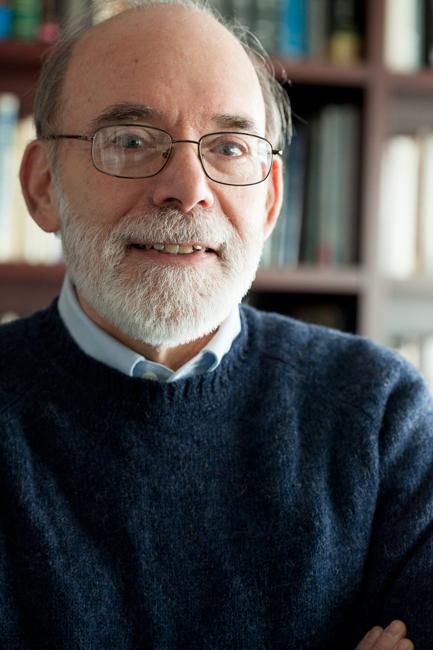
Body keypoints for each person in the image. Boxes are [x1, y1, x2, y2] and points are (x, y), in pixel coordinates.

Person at [0, 0, 430, 647]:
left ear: (270, 200)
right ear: (41, 187)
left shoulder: (378, 413)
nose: (187, 187)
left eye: (228, 146)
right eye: (130, 140)